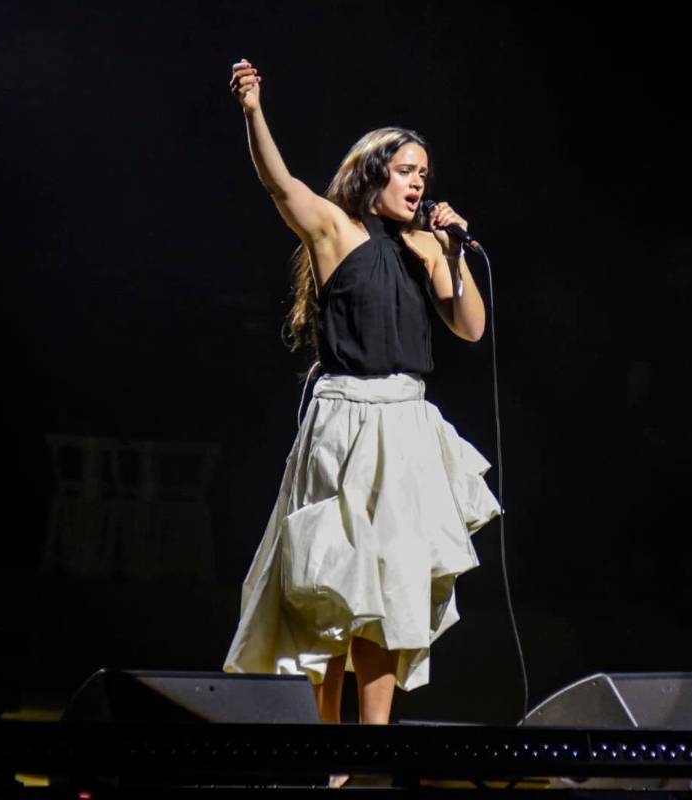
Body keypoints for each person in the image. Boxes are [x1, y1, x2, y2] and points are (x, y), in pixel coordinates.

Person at [223, 59, 500, 730]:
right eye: (407, 171)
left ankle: (371, 743)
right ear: (374, 173)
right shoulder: (337, 232)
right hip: (345, 419)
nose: (418, 183)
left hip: (405, 422)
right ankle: (327, 747)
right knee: (334, 585)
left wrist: (453, 252)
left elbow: (469, 328)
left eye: (424, 175)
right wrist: (254, 110)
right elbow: (279, 184)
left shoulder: (429, 248)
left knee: (389, 586)